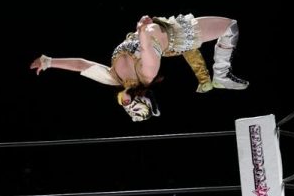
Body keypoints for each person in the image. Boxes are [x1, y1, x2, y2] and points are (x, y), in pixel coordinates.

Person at [30, 13, 249, 121]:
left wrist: (48, 62)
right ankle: (221, 75)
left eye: (124, 105)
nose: (123, 103)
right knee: (230, 27)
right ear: (140, 97)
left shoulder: (112, 77)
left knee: (229, 28)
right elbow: (146, 49)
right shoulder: (147, 74)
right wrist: (142, 30)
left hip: (154, 29)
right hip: (176, 35)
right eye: (129, 105)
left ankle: (217, 77)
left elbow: (81, 65)